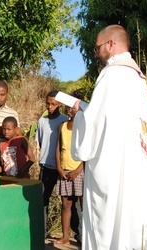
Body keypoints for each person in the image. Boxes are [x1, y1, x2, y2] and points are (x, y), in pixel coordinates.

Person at [71, 25, 147, 249]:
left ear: (111, 44)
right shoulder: (138, 78)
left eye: (97, 48)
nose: (95, 53)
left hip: (113, 166)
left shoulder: (110, 75)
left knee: (113, 221)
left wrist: (80, 113)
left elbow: (94, 123)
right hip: (137, 164)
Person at [35, 90, 69, 235]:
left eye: (53, 104)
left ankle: (77, 234)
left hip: (62, 168)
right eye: (47, 104)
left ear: (59, 104)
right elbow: (42, 142)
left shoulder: (66, 120)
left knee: (68, 203)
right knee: (43, 200)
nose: (49, 107)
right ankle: (41, 233)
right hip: (46, 167)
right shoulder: (42, 121)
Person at [54, 91, 85, 245]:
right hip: (65, 171)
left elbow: (88, 151)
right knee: (66, 205)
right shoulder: (63, 126)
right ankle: (66, 237)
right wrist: (59, 168)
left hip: (79, 172)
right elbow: (58, 148)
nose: (69, 110)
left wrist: (78, 170)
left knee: (84, 207)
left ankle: (87, 238)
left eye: (72, 107)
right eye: (68, 107)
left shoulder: (84, 126)